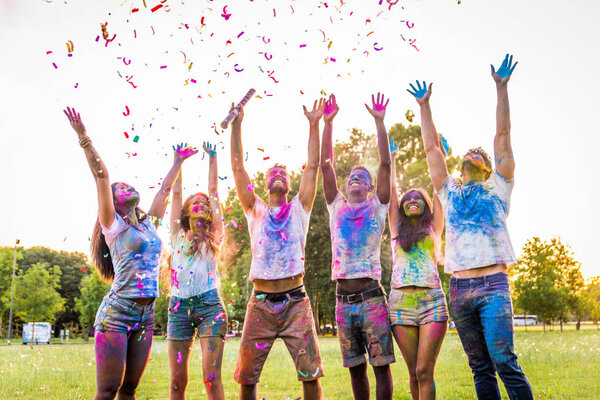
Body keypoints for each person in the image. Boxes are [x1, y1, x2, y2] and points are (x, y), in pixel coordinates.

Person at [407, 54, 534, 400]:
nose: (472, 154)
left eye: (479, 154)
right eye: (469, 152)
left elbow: (502, 134)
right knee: (479, 367)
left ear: (489, 166)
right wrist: (425, 107)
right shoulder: (448, 190)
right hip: (460, 290)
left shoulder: (499, 186)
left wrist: (501, 88)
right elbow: (432, 148)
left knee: (505, 361)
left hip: (493, 285)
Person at [63, 107, 194, 400]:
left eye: (127, 184)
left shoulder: (149, 223)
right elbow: (101, 176)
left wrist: (177, 162)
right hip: (117, 312)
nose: (126, 186)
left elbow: (163, 190)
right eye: (119, 187)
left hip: (146, 314)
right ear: (111, 201)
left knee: (129, 390)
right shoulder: (113, 226)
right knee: (107, 390)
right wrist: (84, 137)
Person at [230, 100, 324, 400]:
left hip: (297, 302)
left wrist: (313, 124)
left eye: (284, 172)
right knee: (247, 378)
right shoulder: (254, 209)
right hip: (260, 304)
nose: (280, 174)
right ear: (265, 182)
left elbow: (313, 166)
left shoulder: (301, 207)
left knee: (310, 375)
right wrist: (236, 125)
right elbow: (237, 166)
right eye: (274, 172)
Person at [320, 93, 395, 400]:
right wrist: (328, 122)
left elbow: (386, 164)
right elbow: (326, 166)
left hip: (372, 299)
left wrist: (379, 122)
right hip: (342, 300)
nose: (355, 179)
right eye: (351, 176)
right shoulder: (336, 206)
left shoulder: (377, 207)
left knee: (380, 367)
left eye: (362, 177)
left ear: (370, 187)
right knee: (355, 368)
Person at [387, 135, 448, 400]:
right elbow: (390, 193)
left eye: (418, 197)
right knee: (413, 372)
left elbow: (439, 187)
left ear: (425, 205)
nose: (412, 199)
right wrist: (390, 159)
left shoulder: (434, 227)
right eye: (407, 198)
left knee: (425, 370)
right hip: (400, 303)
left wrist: (442, 156)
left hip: (431, 301)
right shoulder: (396, 229)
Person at [166, 142, 227, 400]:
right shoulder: (177, 233)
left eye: (205, 203)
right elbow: (176, 194)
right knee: (177, 382)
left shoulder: (216, 236)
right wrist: (178, 161)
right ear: (186, 211)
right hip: (178, 309)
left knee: (211, 378)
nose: (202, 203)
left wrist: (213, 158)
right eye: (196, 202)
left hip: (210, 307)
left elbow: (213, 192)